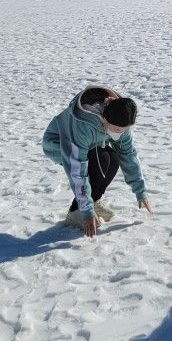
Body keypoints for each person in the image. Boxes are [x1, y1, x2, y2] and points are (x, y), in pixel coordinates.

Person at [43, 84, 154, 237]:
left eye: (123, 130)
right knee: (101, 160)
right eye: (116, 130)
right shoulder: (84, 124)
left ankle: (94, 201)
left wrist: (141, 192)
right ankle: (77, 212)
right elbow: (77, 169)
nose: (120, 134)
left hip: (90, 145)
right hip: (59, 144)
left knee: (114, 158)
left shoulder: (121, 118)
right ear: (104, 119)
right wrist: (86, 211)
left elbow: (128, 154)